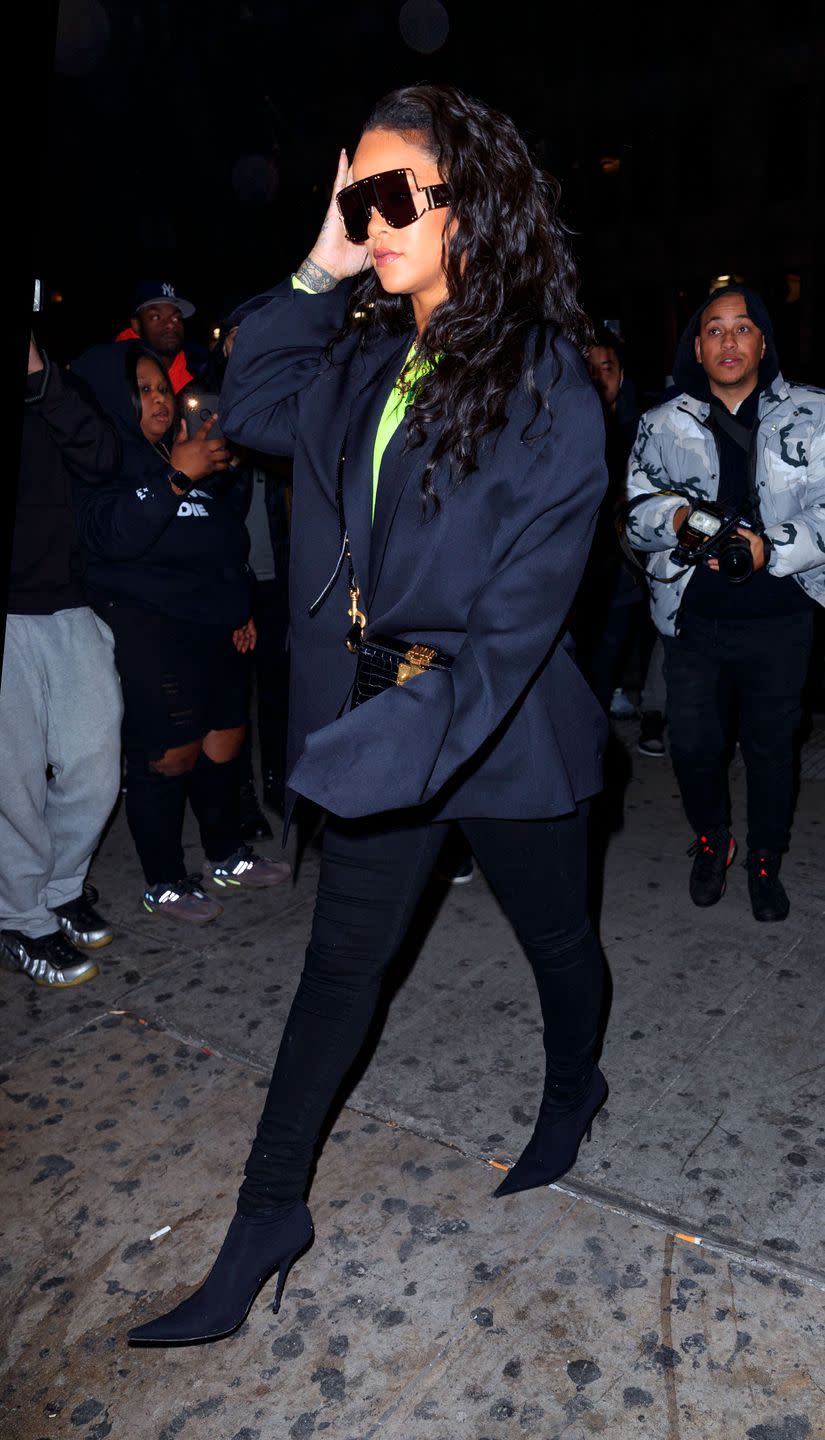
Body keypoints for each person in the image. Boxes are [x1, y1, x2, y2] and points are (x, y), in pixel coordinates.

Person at [126, 81, 610, 1347]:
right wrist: (320, 258)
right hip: (380, 713)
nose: (373, 220)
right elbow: (251, 393)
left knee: (558, 942)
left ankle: (576, 1085)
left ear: (474, 205)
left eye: (396, 198)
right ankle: (264, 1218)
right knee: (339, 973)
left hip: (495, 724)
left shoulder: (545, 373)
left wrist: (387, 745)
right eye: (359, 198)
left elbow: (520, 617)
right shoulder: (366, 363)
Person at [69, 340, 292, 924]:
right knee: (171, 754)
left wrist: (240, 606)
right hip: (147, 624)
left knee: (225, 740)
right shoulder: (103, 460)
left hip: (212, 622)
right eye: (143, 390)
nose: (159, 398)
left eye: (162, 387)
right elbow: (111, 536)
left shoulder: (185, 453)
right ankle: (164, 880)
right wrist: (174, 477)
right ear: (117, 402)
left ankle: (225, 855)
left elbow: (227, 543)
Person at [624, 284, 825, 921]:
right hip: (692, 617)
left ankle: (766, 859)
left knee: (771, 748)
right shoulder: (662, 421)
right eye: (714, 329)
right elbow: (632, 516)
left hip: (782, 618)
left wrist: (773, 547)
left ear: (763, 341)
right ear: (697, 345)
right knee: (692, 744)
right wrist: (677, 515)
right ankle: (714, 840)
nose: (728, 341)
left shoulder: (814, 415)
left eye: (742, 328)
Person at [0, 334, 123, 988]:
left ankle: (58, 885)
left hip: (71, 603)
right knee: (11, 784)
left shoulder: (57, 381)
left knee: (95, 764)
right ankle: (20, 915)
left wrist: (39, 376)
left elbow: (103, 456)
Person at [202, 321, 293, 842]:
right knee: (232, 701)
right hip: (229, 582)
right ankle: (240, 801)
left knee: (280, 691)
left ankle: (279, 786)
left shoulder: (281, 398)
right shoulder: (207, 404)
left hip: (278, 574)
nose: (244, 347)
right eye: (235, 338)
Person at [573, 326, 646, 717]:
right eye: (590, 369)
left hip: (622, 571)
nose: (600, 377)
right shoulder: (565, 427)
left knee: (608, 660)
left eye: (607, 367)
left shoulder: (643, 430)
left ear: (620, 375)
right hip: (576, 573)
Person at [115, 281, 209, 395]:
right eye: (156, 317)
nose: (170, 324)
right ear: (136, 325)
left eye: (176, 318)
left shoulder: (201, 369)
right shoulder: (113, 371)